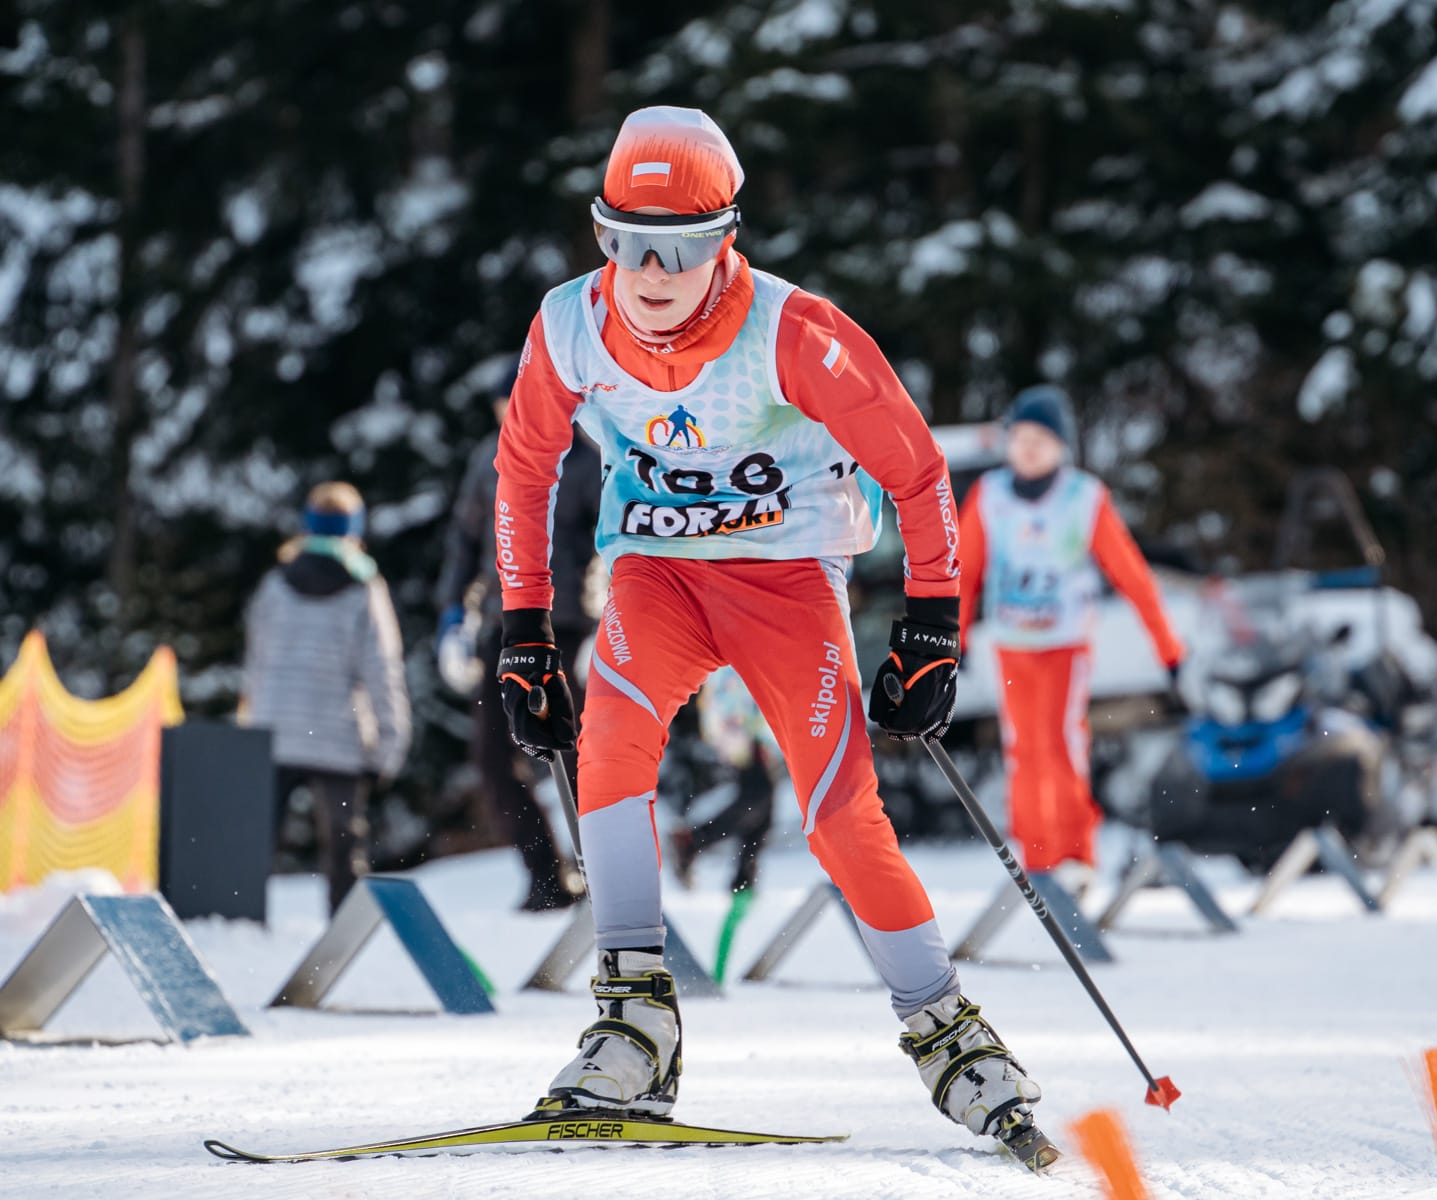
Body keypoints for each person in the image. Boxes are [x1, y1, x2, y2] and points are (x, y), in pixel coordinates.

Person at [491, 106, 1047, 1159]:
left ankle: (947, 1030)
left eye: (682, 247)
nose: (650, 273)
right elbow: (524, 469)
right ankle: (635, 1020)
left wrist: (932, 624)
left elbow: (918, 470)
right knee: (609, 747)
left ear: (726, 241)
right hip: (657, 574)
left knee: (839, 812)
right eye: (625, 242)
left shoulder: (794, 333)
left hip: (786, 581)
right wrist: (525, 629)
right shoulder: (568, 325)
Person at [958, 386, 1186, 895]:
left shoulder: (1084, 498)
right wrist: (955, 634)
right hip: (1013, 643)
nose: (1028, 449)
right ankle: (1037, 859)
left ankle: (1076, 855)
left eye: (1040, 440)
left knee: (1061, 742)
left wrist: (1169, 650)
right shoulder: (991, 496)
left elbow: (1132, 576)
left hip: (1064, 643)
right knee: (1024, 749)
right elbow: (964, 570)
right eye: (1020, 438)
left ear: (1060, 447)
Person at [437, 378, 603, 910]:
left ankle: (601, 870)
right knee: (492, 756)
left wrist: (607, 618)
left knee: (574, 752)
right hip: (501, 626)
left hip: (567, 625)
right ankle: (545, 875)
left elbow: (613, 541)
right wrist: (452, 609)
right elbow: (466, 539)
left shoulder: (586, 460)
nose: (510, 414)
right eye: (502, 407)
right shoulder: (488, 458)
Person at [241, 482, 411, 912]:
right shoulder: (364, 588)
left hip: (274, 730)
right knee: (343, 843)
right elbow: (383, 669)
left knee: (257, 841)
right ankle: (343, 929)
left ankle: (241, 922)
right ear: (355, 530)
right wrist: (389, 745)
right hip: (338, 736)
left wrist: (250, 722)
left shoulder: (275, 584)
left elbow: (256, 659)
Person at [670, 665, 779, 982]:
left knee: (763, 801)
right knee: (758, 793)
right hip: (739, 705)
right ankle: (694, 842)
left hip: (745, 707)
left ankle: (743, 877)